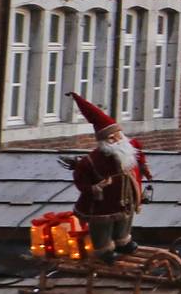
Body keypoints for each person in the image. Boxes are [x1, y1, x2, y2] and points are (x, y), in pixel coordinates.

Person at [62, 96, 151, 257]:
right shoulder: (92, 161)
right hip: (104, 202)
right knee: (103, 225)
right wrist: (94, 188)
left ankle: (122, 241)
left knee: (125, 219)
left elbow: (139, 155)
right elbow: (81, 178)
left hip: (127, 198)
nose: (117, 140)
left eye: (118, 136)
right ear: (103, 141)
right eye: (111, 138)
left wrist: (144, 168)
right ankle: (104, 249)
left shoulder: (130, 147)